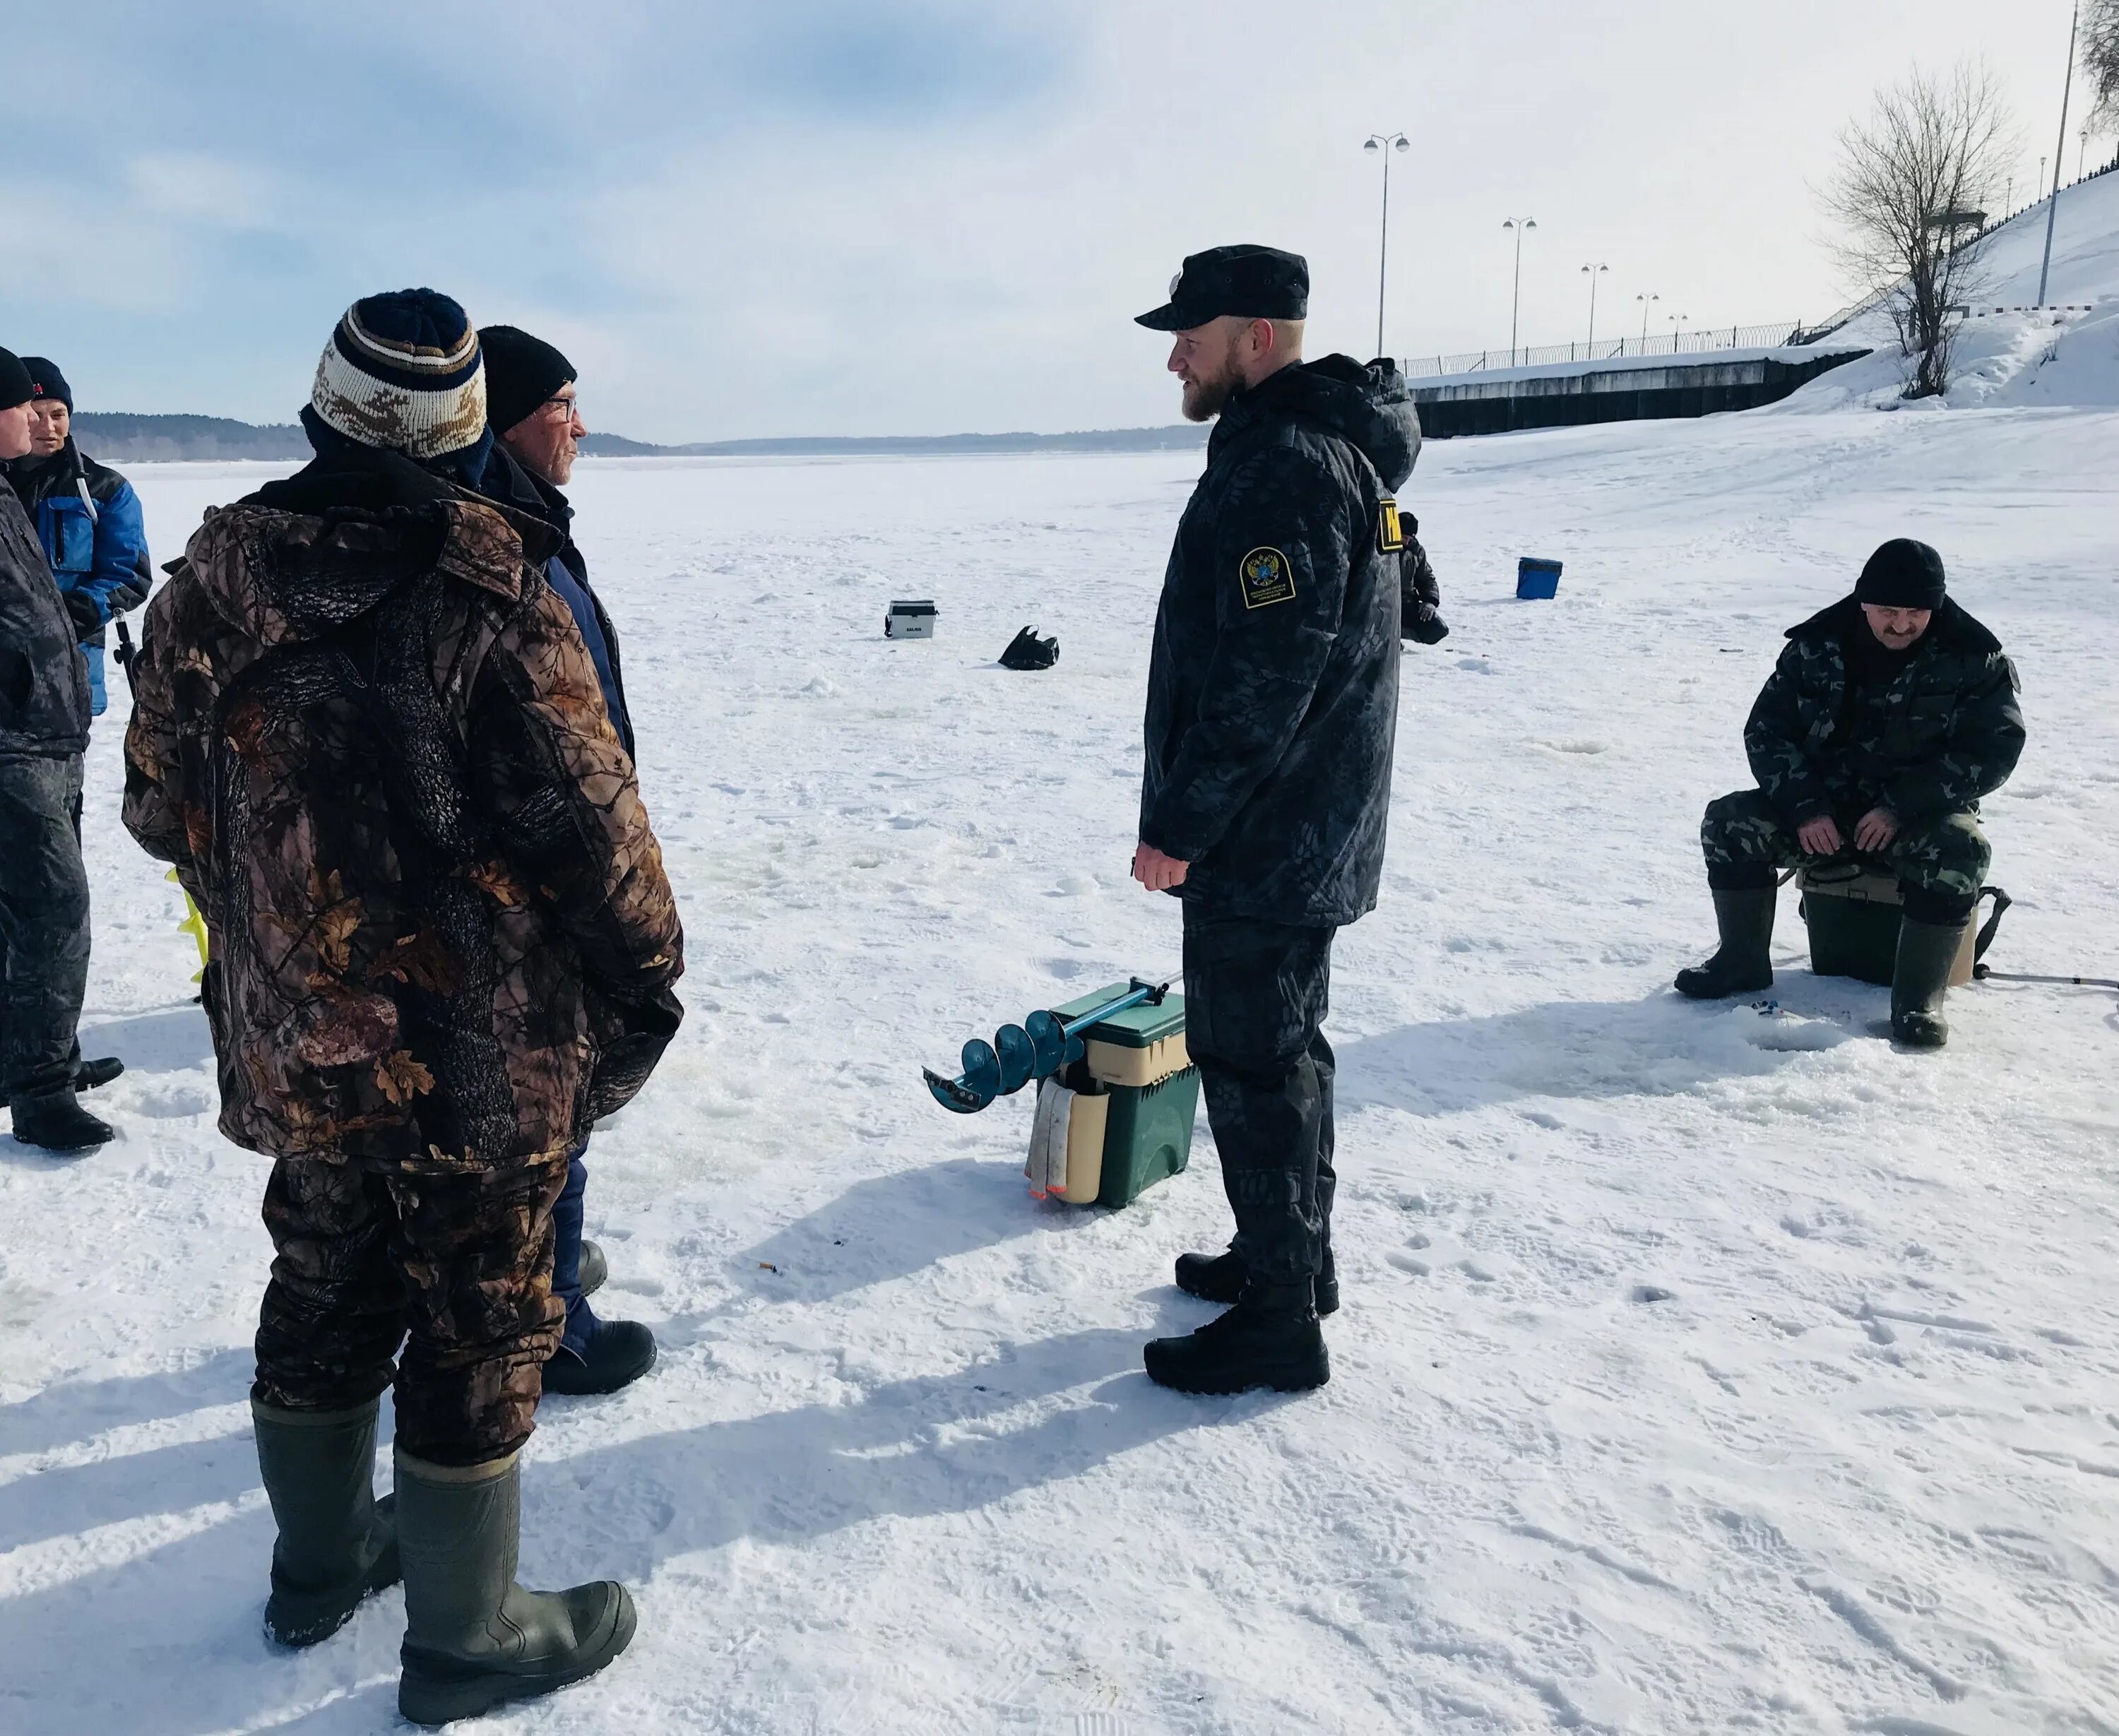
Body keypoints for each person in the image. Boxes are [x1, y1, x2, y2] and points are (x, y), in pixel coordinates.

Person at [121, 290, 684, 1724]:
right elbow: (593, 829)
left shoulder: (216, 568)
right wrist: (646, 980)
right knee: (482, 1314)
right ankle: (468, 1630)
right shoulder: (489, 582)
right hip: (472, 1057)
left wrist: (276, 909)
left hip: (298, 1040)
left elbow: (149, 800)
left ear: (321, 404)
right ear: (464, 430)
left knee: (321, 1277)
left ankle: (320, 1564)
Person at [1129, 246, 1420, 1395]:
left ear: (1258, 335)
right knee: (1282, 1049)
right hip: (1308, 820)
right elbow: (1389, 583)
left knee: (1253, 1061)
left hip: (1269, 830)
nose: (1173, 356)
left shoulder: (1287, 461)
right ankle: (1288, 1258)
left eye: (1191, 335)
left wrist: (1184, 823)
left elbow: (1268, 673)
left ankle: (1280, 1318)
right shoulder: (1335, 447)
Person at [468, 322, 654, 1397]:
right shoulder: (495, 545)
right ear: (498, 419)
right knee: (551, 1104)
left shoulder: (526, 524)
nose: (579, 426)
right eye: (558, 406)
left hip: (541, 874)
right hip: (535, 896)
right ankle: (554, 1322)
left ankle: (538, 1269)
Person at [1675, 537, 2024, 1047]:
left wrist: (1901, 806)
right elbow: (1768, 732)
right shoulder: (1816, 648)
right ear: (1863, 601)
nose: (1901, 624)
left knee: (1962, 848)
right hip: (1821, 817)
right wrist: (1805, 807)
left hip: (1915, 819)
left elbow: (1994, 750)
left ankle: (1917, 1002)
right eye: (1888, 611)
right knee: (1729, 820)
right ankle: (1740, 963)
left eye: (1916, 612)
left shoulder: (1975, 659)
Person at [0, 345, 118, 1153]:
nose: (36, 418)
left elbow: (120, 567)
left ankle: (40, 1061)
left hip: (49, 732)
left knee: (34, 909)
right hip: (13, 742)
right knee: (52, 909)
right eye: (22, 405)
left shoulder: (36, 492)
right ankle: (41, 1092)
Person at [8, 357, 154, 723]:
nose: (47, 426)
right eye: (36, 413)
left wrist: (67, 616)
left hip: (68, 669)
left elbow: (129, 576)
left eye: (57, 414)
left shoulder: (105, 489)